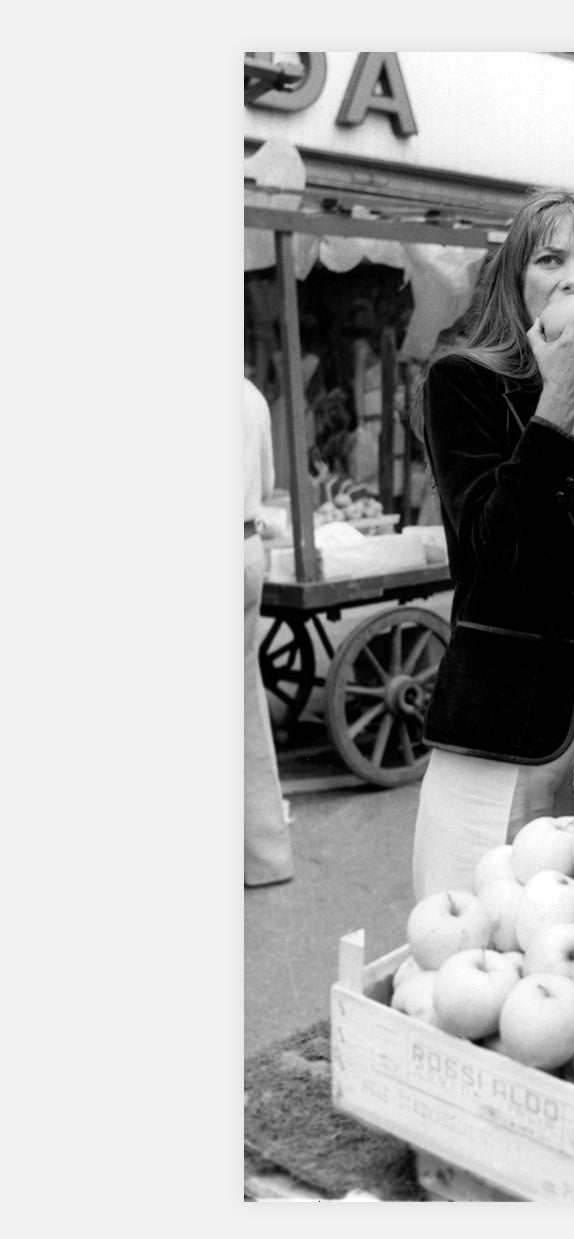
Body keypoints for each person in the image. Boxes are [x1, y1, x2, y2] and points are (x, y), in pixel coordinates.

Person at [410, 189, 574, 899]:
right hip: (516, 732)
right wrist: (553, 405)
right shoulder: (464, 382)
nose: (573, 279)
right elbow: (494, 556)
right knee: (482, 926)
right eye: (550, 259)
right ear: (515, 282)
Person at [244, 377, 295, 887]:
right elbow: (267, 481)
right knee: (245, 703)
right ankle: (265, 857)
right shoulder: (252, 396)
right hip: (247, 551)